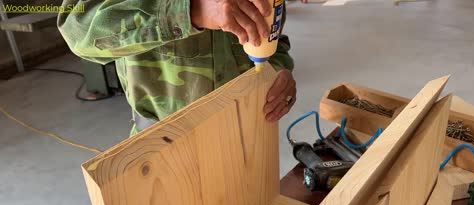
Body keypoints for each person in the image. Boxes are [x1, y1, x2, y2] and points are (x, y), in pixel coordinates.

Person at [58, 0, 297, 135]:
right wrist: (186, 12)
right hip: (165, 152)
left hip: (251, 141)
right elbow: (77, 30)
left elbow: (272, 33)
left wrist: (277, 69)